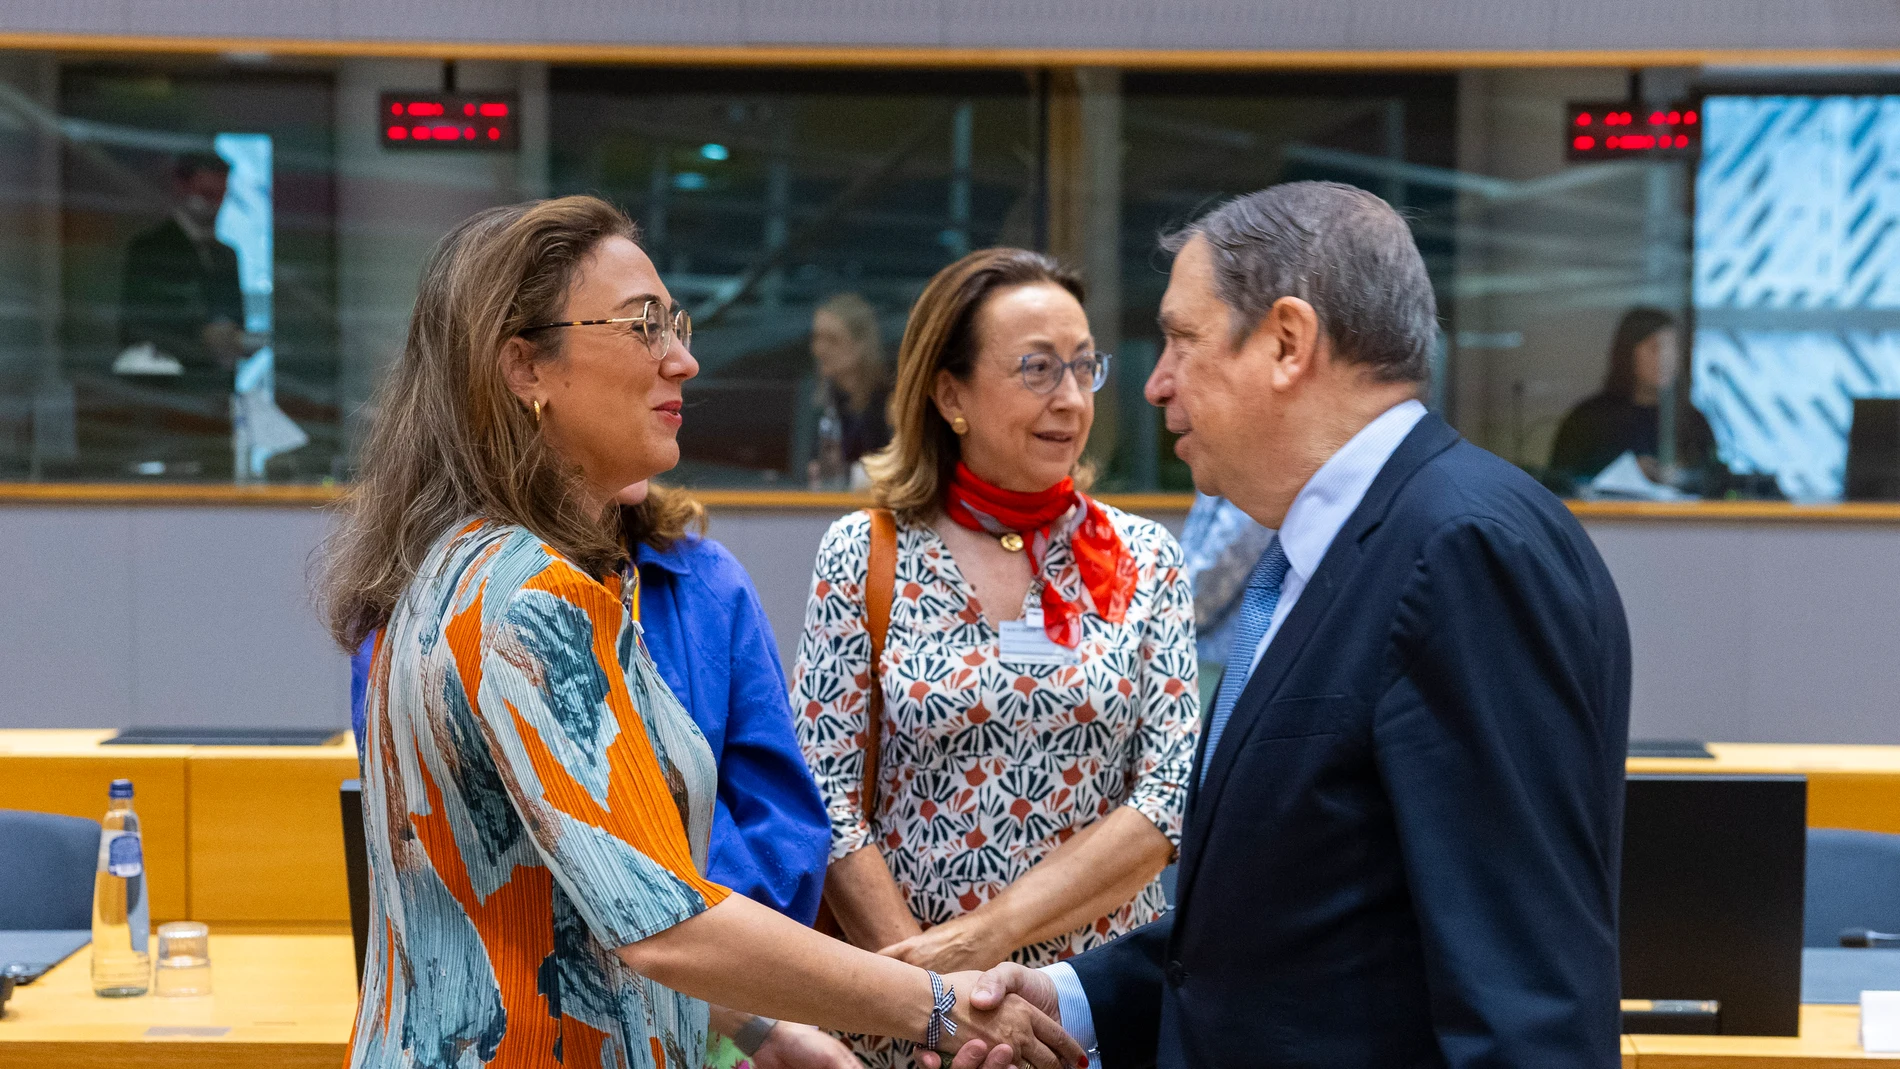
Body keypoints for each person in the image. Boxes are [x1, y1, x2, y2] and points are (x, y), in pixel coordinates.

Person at [321, 196, 1081, 1069]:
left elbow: (600, 902)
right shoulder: (522, 598)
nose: (682, 359)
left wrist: (774, 1031)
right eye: (645, 327)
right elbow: (664, 925)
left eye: (672, 324)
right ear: (525, 366)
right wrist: (942, 1006)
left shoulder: (509, 571)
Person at [934, 182, 1632, 1069]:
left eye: (1182, 339)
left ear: (1287, 342)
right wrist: (1071, 996)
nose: (1153, 384)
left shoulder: (1461, 553)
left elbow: (1523, 998)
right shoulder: (1326, 556)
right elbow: (1300, 923)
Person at [793, 248, 1199, 1068]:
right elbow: (826, 795)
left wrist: (986, 942)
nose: (1073, 399)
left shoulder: (1143, 557)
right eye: (1038, 369)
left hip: (1089, 1013)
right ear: (950, 394)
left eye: (1086, 367)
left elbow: (1166, 798)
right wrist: (940, 1008)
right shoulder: (863, 553)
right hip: (909, 1026)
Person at [346, 477, 843, 1068]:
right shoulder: (492, 594)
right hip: (526, 1021)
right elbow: (612, 895)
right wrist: (936, 1005)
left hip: (710, 995)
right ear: (529, 385)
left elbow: (779, 823)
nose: (681, 379)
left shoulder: (702, 579)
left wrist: (743, 995)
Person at [117, 152, 262, 476]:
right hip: (166, 404)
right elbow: (136, 327)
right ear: (181, 188)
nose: (213, 205)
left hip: (216, 404)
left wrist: (235, 342)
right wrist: (199, 338)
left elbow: (235, 320)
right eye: (206, 195)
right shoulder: (150, 250)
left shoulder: (226, 256)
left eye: (221, 196)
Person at [1549, 306, 1717, 489]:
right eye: (1655, 348)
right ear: (1628, 353)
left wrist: (1682, 477)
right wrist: (1628, 470)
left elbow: (1715, 481)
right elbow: (1559, 482)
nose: (1666, 358)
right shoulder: (1589, 419)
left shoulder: (1692, 422)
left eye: (1673, 348)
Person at [805, 292, 892, 488]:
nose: (819, 349)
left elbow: (897, 473)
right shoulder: (817, 401)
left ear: (861, 345)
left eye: (832, 340)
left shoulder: (889, 406)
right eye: (817, 338)